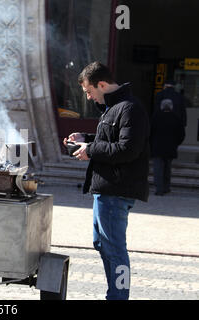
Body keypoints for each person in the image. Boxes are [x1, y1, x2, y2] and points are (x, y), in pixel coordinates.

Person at [64, 62, 150, 300]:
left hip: (116, 190)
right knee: (102, 244)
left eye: (90, 92)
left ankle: (118, 296)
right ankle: (116, 294)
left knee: (115, 249)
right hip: (105, 189)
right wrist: (86, 138)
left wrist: (90, 149)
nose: (90, 98)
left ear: (102, 84)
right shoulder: (113, 108)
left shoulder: (130, 108)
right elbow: (111, 139)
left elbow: (127, 149)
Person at [150, 102, 185, 196]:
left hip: (157, 148)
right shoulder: (176, 118)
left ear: (161, 107)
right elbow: (181, 135)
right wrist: (176, 144)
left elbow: (150, 133)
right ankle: (166, 187)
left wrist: (151, 144)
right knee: (167, 168)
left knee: (158, 169)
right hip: (170, 148)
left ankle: (159, 189)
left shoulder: (155, 117)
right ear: (171, 107)